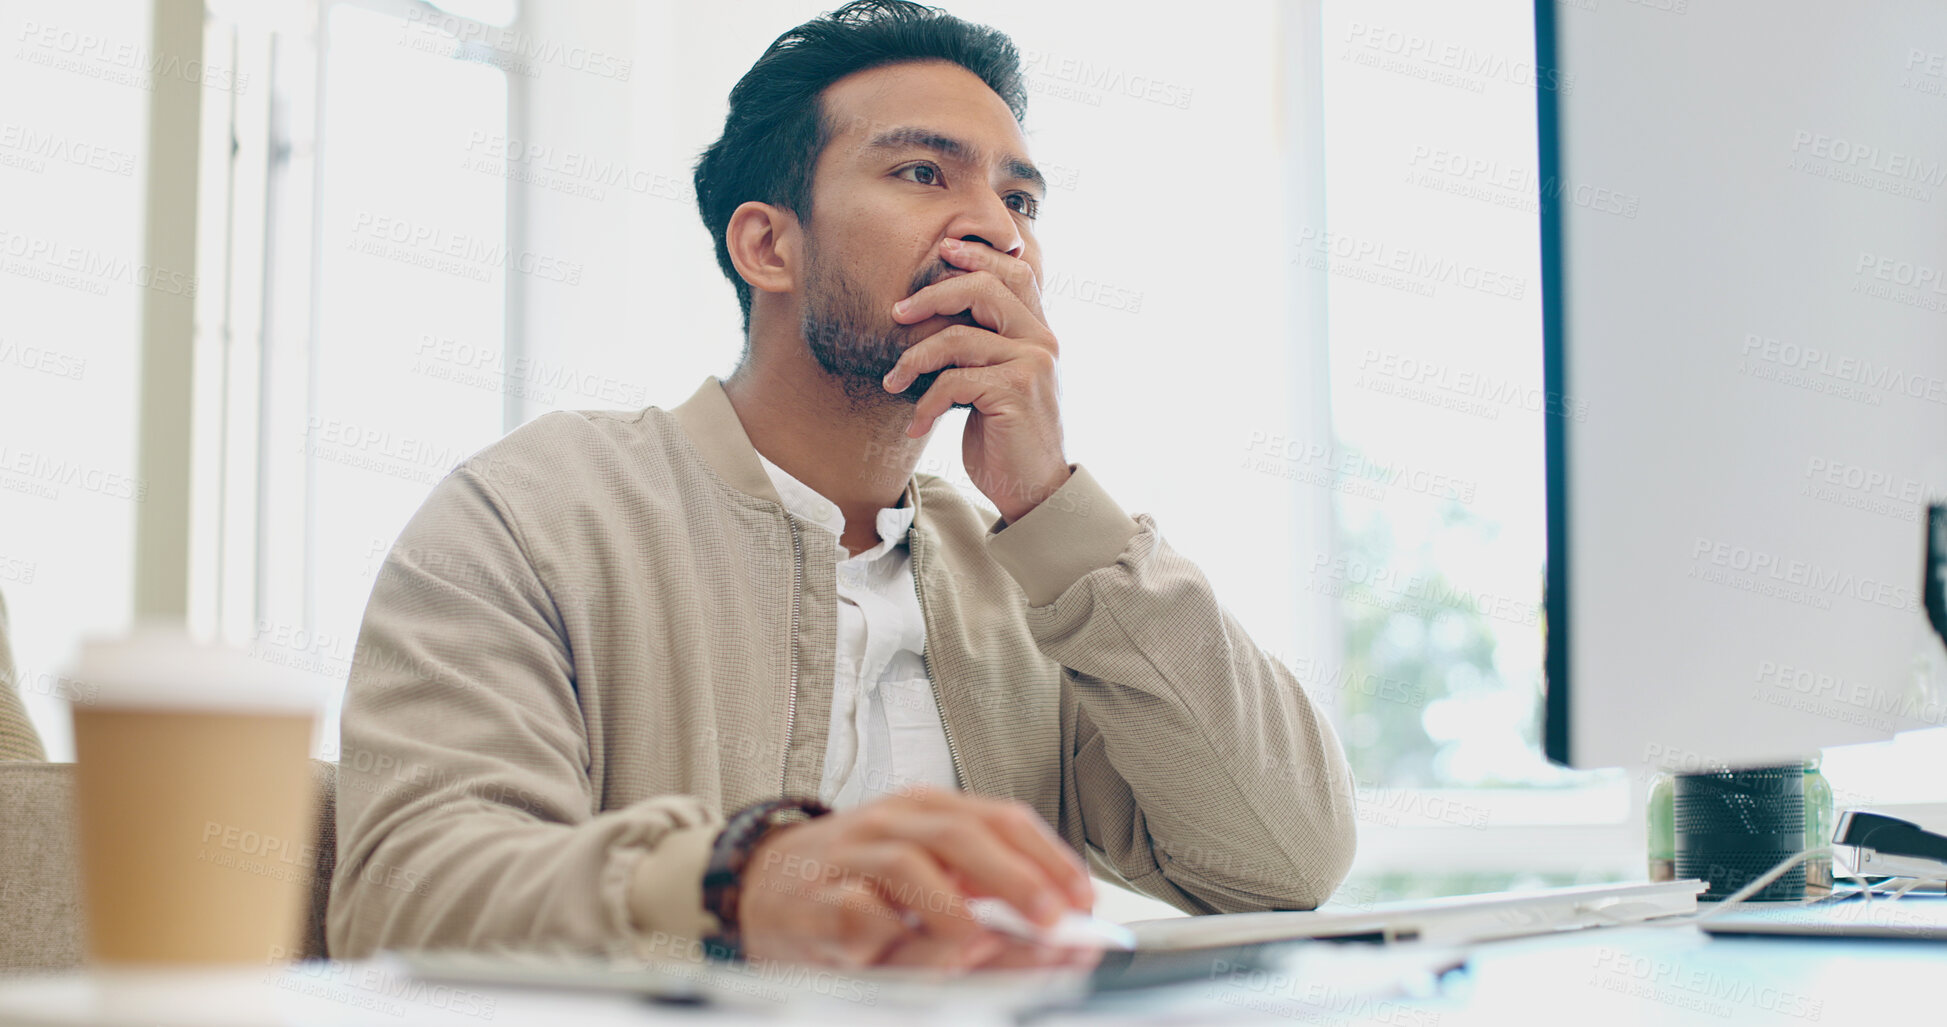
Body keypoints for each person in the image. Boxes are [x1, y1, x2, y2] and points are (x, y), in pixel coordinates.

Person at [328, 0, 1355, 972]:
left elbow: (1287, 859)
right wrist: (739, 877)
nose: (997, 231)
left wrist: (1050, 503)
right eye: (921, 171)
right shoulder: (535, 513)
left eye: (1020, 198)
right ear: (768, 245)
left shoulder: (1042, 582)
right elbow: (406, 893)